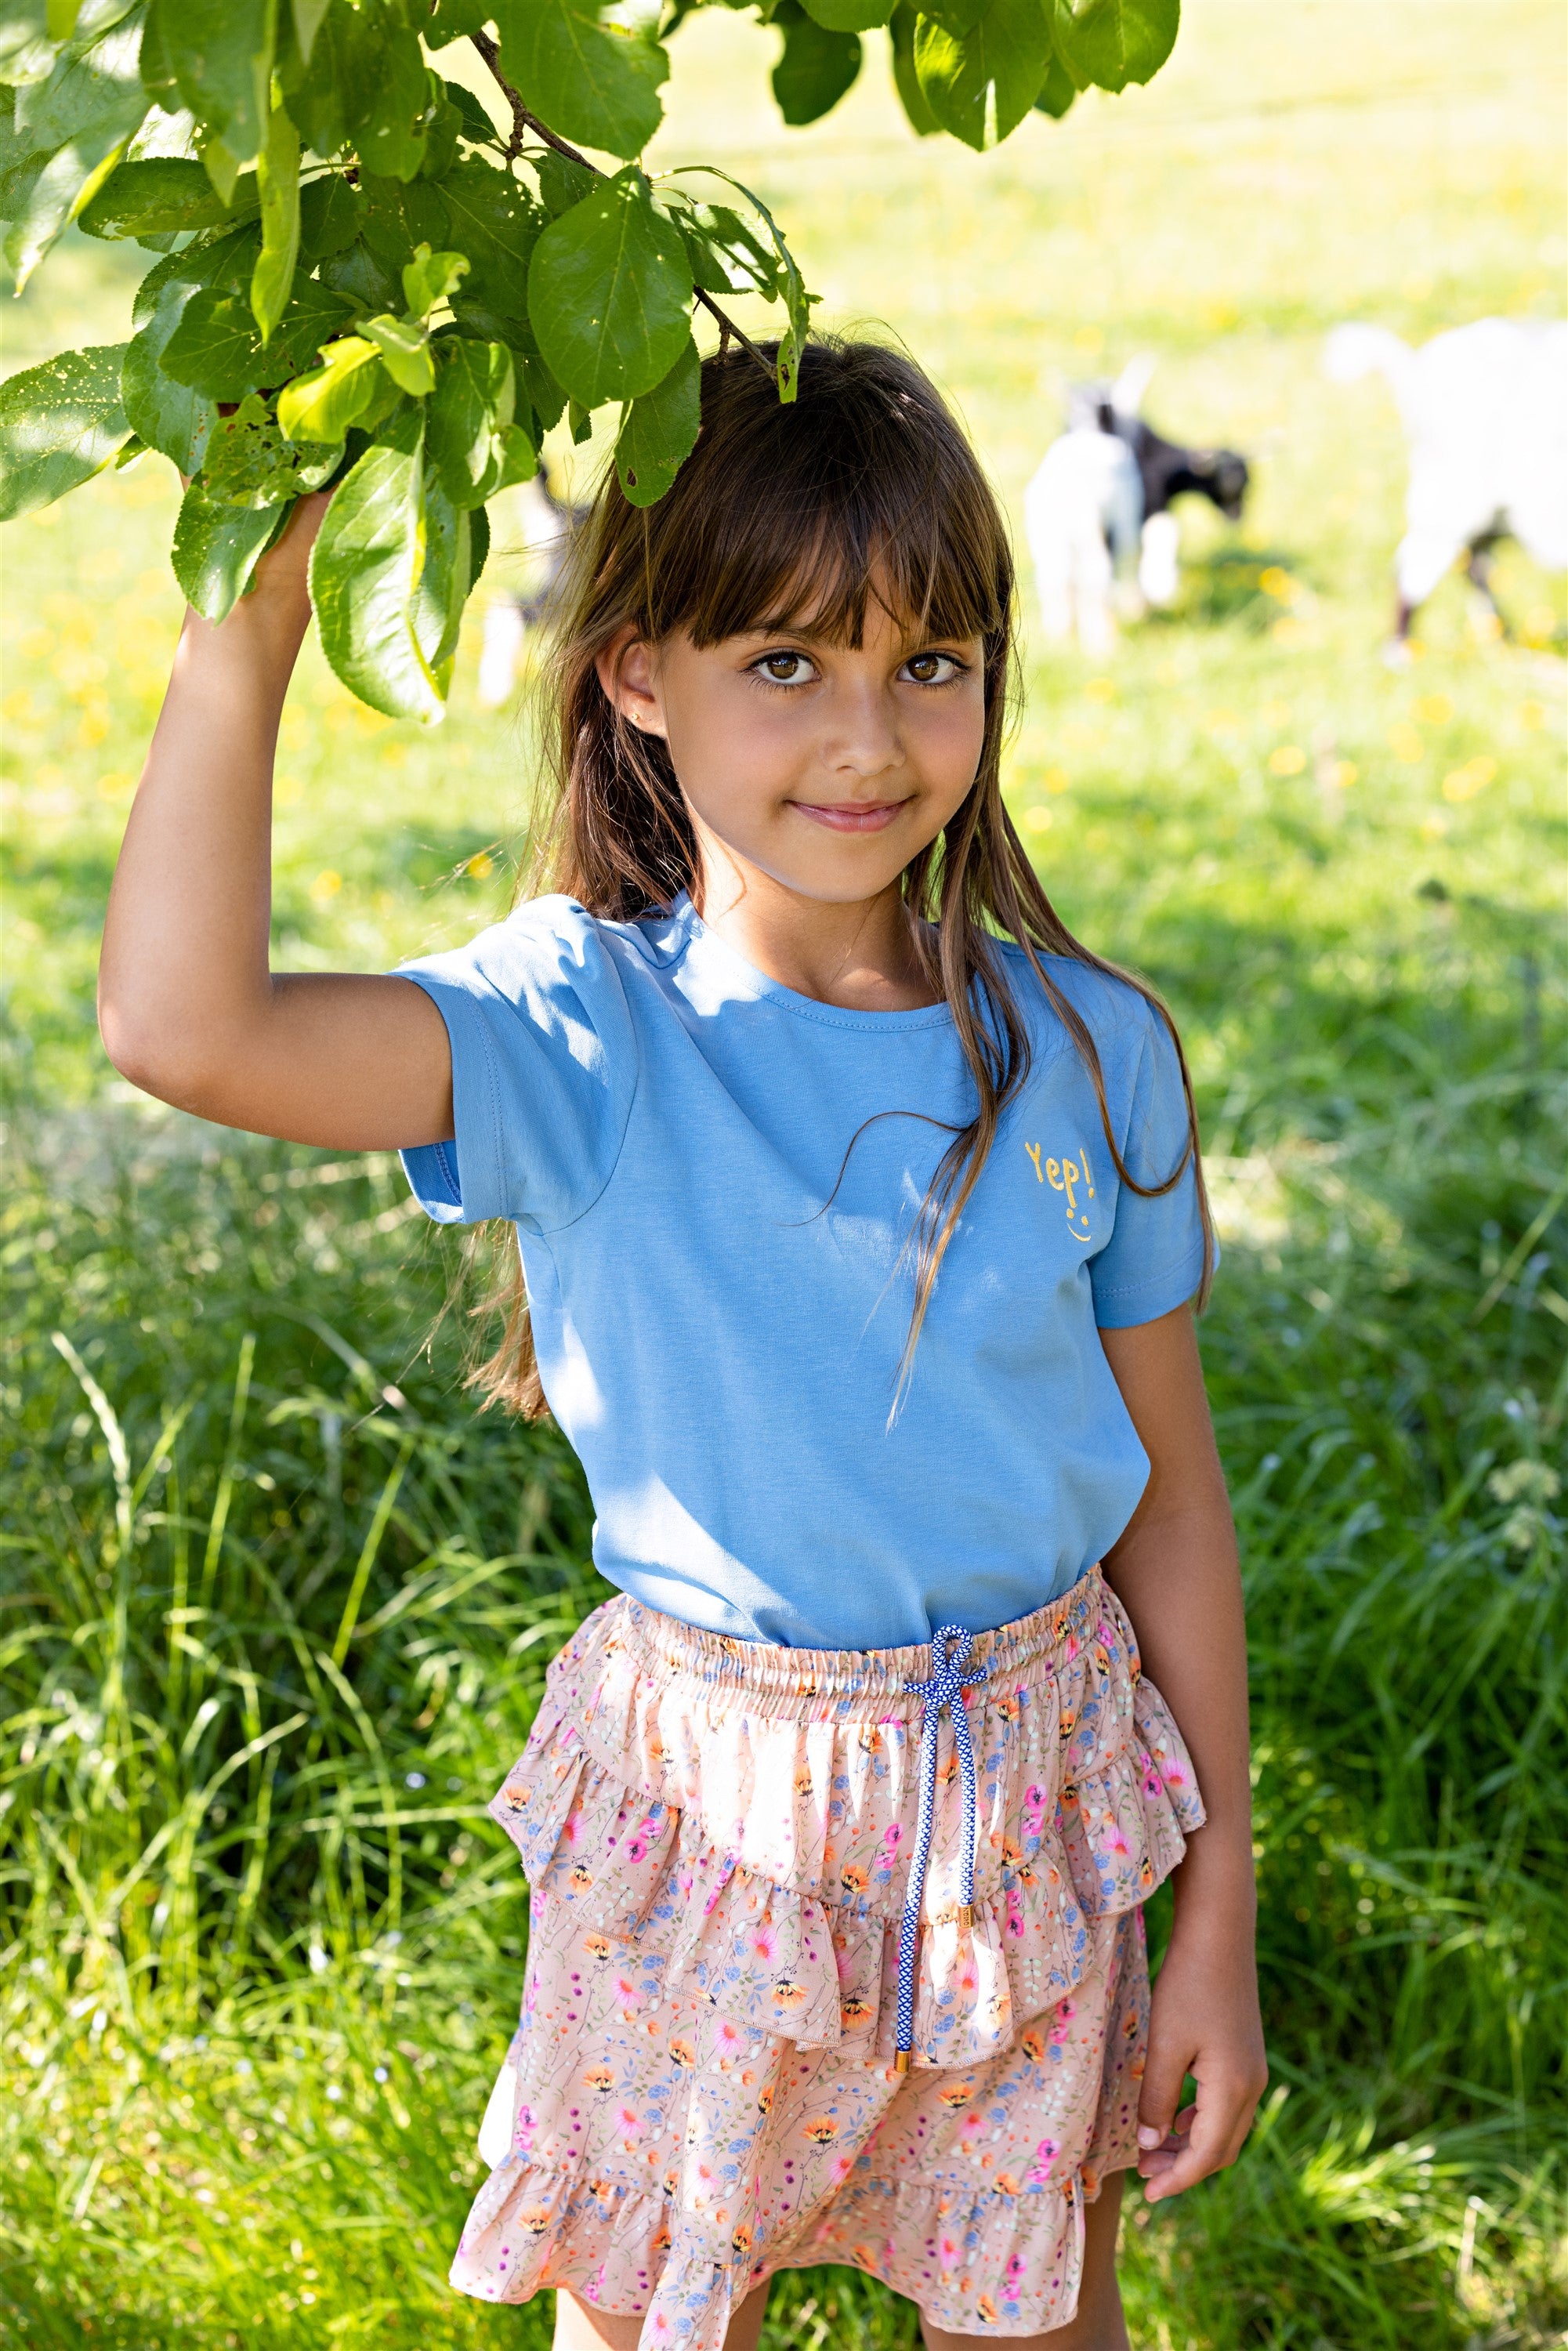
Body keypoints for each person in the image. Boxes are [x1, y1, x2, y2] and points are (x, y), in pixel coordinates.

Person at [99, 336, 1268, 2351]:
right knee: (655, 2321)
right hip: (711, 1813)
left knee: (1038, 2318)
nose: (869, 740)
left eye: (931, 664)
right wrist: (250, 637)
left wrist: (1218, 1916)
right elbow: (184, 1031)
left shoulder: (1093, 1050)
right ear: (638, 672)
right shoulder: (581, 1028)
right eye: (784, 665)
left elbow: (1169, 1495)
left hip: (1040, 1792)